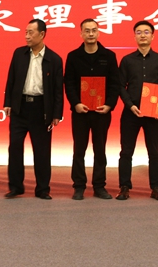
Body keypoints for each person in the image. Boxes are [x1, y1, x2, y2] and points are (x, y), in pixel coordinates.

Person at [3, 19, 63, 200]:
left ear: (42, 34)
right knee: (15, 147)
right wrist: (8, 103)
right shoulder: (19, 54)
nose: (27, 36)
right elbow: (11, 80)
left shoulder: (54, 59)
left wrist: (56, 114)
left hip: (41, 109)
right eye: (26, 32)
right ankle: (15, 187)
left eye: (31, 32)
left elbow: (58, 90)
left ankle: (43, 189)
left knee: (42, 151)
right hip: (20, 108)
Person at [64, 19, 120, 200]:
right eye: (87, 30)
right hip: (80, 112)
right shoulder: (73, 56)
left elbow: (115, 83)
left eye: (94, 30)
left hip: (101, 112)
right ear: (81, 33)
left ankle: (99, 186)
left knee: (100, 150)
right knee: (79, 150)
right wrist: (76, 103)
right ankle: (79, 186)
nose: (90, 34)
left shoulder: (109, 56)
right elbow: (69, 83)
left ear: (98, 33)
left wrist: (109, 104)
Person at [117, 20, 158, 201]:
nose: (142, 35)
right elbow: (121, 86)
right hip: (131, 112)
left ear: (153, 36)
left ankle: (156, 188)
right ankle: (124, 187)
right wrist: (130, 105)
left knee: (154, 152)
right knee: (126, 152)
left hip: (153, 113)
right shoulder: (127, 60)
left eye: (146, 32)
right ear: (134, 36)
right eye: (139, 32)